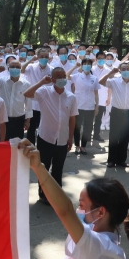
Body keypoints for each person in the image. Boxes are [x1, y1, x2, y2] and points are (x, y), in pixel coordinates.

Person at [24, 68, 78, 204]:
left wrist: (70, 138)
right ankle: (44, 194)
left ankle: (56, 195)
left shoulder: (71, 97)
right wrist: (42, 82)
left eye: (63, 75)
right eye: (58, 76)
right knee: (44, 168)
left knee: (58, 168)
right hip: (45, 137)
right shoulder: (44, 92)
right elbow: (27, 93)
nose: (62, 78)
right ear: (52, 79)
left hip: (62, 139)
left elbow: (72, 119)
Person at [100, 61, 129, 168]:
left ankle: (121, 160)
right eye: (123, 69)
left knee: (125, 137)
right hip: (116, 112)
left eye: (128, 69)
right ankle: (111, 160)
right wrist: (110, 73)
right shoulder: (114, 81)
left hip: (128, 113)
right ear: (120, 71)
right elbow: (101, 82)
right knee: (114, 136)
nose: (126, 71)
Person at [0, 57, 32, 140]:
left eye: (17, 67)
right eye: (12, 67)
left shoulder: (26, 84)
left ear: (21, 69)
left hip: (19, 120)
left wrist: (28, 121)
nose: (15, 69)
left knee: (17, 143)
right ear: (8, 69)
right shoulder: (1, 81)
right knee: (2, 142)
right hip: (3, 119)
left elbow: (28, 104)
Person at [69, 58, 98, 155]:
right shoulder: (76, 76)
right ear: (82, 65)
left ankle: (83, 146)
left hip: (90, 106)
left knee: (88, 127)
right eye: (85, 64)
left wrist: (97, 106)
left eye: (89, 64)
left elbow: (96, 93)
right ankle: (77, 146)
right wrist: (74, 67)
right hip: (78, 105)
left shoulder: (94, 78)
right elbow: (66, 76)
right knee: (77, 127)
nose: (87, 66)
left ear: (91, 66)